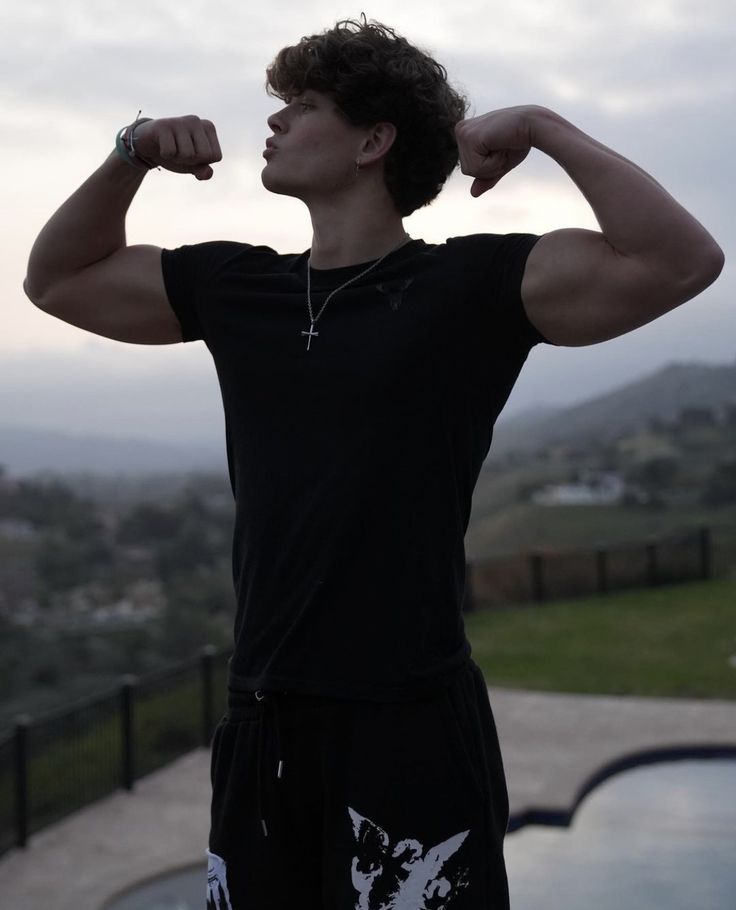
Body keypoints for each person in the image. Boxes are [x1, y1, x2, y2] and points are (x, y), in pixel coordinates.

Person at [24, 17, 723, 910]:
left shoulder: (471, 289)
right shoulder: (238, 288)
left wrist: (547, 128)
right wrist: (131, 152)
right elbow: (56, 280)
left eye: (303, 106)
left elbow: (681, 260)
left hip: (411, 723)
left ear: (373, 139)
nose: (273, 124)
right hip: (262, 714)